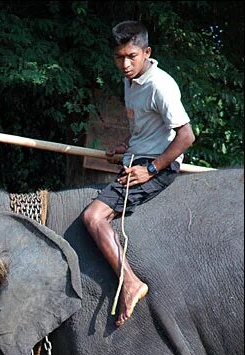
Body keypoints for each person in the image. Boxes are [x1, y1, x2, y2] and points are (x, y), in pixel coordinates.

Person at [82, 20, 195, 326]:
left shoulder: (161, 85)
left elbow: (186, 136)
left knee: (93, 217)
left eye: (132, 56)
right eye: (120, 57)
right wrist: (126, 146)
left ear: (147, 52)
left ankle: (130, 282)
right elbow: (145, 128)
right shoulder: (129, 81)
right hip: (139, 155)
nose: (126, 63)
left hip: (158, 164)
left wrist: (150, 170)